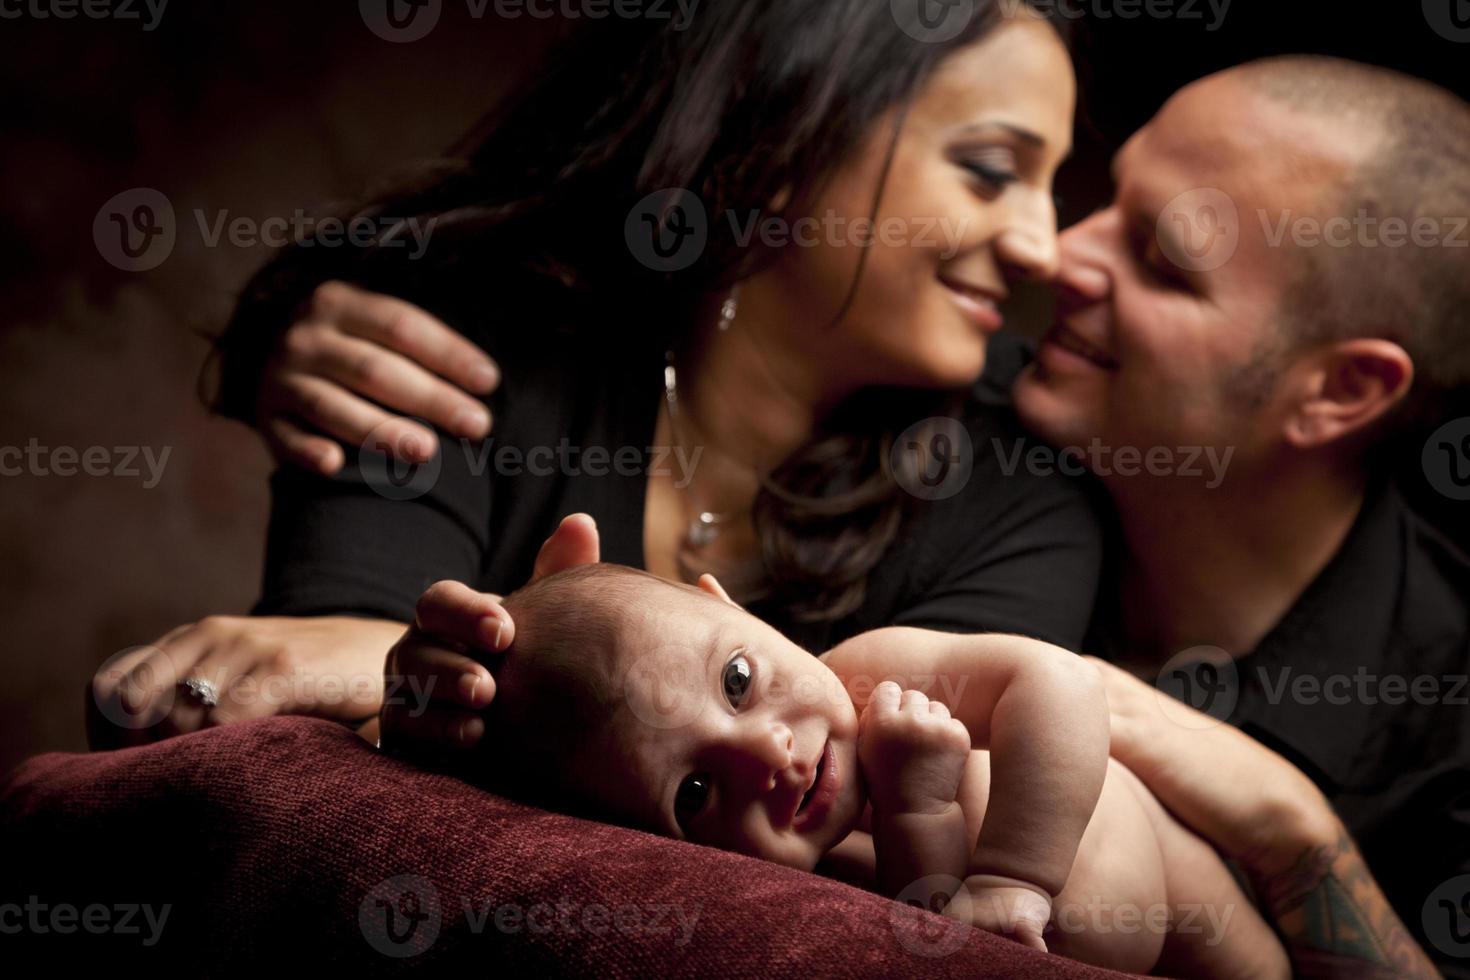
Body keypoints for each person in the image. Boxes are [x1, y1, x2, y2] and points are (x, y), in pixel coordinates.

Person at [92, 1, 1102, 747]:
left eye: (1050, 183)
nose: (1040, 247)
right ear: (790, 130)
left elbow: (890, 816)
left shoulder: (1017, 490)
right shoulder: (460, 335)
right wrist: (354, 658)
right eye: (991, 169)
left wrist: (394, 658)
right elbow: (301, 730)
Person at [1010, 56, 1470, 977]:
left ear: (1341, 391)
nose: (1058, 254)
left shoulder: (1449, 738)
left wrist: (1296, 838)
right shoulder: (948, 459)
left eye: (1162, 261)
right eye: (1105, 195)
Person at [462, 560, 1288, 977]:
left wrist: (1011, 875)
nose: (768, 759)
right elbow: (938, 929)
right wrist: (917, 810)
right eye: (695, 793)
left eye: (737, 681)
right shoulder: (799, 898)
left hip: (1176, 878)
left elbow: (1059, 683)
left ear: (733, 606)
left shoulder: (874, 672)